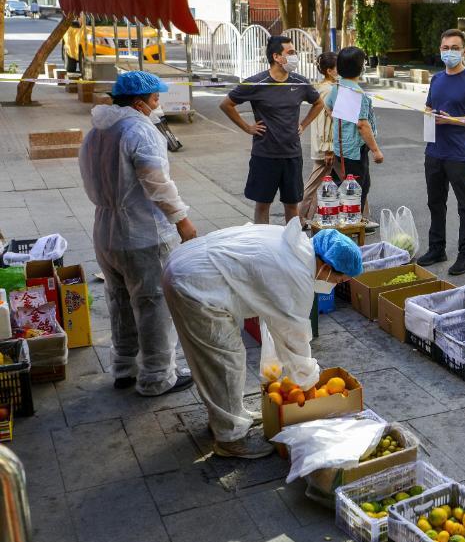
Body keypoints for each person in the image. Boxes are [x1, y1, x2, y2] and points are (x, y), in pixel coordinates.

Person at [162, 223, 363, 458]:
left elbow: (276, 315)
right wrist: (308, 387)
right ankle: (230, 439)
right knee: (224, 360)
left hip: (188, 265)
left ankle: (227, 417)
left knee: (218, 360)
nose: (334, 286)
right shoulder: (296, 275)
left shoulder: (295, 246)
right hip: (193, 284)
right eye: (338, 281)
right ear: (327, 267)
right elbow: (293, 339)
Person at [79, 71, 197, 396]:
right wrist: (181, 219)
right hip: (142, 235)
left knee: (119, 300)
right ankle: (158, 376)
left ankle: (124, 367)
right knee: (152, 303)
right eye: (156, 99)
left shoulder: (97, 132)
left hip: (105, 232)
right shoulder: (138, 131)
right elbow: (155, 181)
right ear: (138, 102)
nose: (159, 105)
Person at [220, 35, 324, 225]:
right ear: (276, 56)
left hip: (292, 154)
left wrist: (304, 124)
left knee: (292, 205)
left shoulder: (300, 82)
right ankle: (262, 247)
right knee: (262, 205)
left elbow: (318, 103)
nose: (295, 56)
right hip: (265, 155)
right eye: (290, 53)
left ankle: (292, 246)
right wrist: (247, 128)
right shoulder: (256, 82)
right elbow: (226, 104)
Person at [417, 29, 465, 276]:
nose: (450, 52)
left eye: (455, 48)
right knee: (435, 203)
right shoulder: (436, 79)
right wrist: (429, 114)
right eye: (445, 47)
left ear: (464, 51)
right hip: (434, 152)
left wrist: (453, 121)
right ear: (440, 50)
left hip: (461, 153)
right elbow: (428, 107)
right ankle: (437, 248)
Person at [326, 47, 384, 228]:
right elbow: (362, 125)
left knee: (349, 189)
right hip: (354, 151)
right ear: (360, 67)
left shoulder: (337, 87)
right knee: (356, 192)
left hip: (341, 148)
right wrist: (376, 150)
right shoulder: (356, 93)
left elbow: (327, 106)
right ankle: (352, 232)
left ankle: (349, 226)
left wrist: (340, 120)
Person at [299, 52, 338, 223]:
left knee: (317, 184)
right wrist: (328, 147)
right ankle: (298, 219)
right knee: (313, 185)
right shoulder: (329, 90)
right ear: (329, 70)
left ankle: (305, 218)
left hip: (326, 144)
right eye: (338, 67)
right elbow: (325, 121)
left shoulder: (323, 87)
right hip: (327, 146)